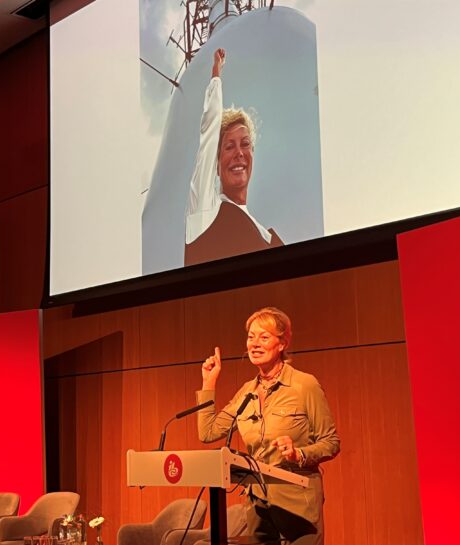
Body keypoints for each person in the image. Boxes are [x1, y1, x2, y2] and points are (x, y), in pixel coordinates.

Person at [196, 307, 340, 545]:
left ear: (282, 343)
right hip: (259, 507)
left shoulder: (304, 385)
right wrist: (208, 382)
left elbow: (331, 442)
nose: (254, 344)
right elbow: (207, 432)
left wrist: (298, 453)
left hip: (298, 507)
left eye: (264, 337)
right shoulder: (246, 392)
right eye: (251, 337)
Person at [185, 48, 284, 266]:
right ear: (216, 164)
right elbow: (209, 135)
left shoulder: (266, 236)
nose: (239, 153)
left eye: (245, 144)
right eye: (229, 146)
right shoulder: (205, 213)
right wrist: (216, 76)